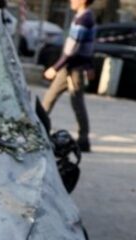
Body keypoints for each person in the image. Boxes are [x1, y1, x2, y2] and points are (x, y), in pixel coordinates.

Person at [42, 0, 94, 152]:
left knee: (62, 100)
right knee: (58, 99)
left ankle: (83, 139)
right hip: (74, 66)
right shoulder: (85, 17)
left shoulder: (83, 19)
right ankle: (83, 139)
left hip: (72, 68)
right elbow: (88, 45)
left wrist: (55, 68)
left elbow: (72, 49)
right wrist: (90, 65)